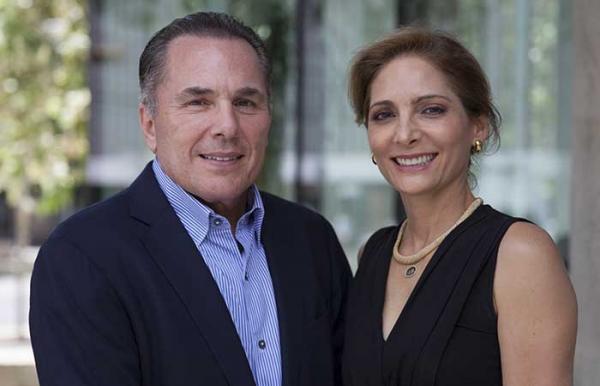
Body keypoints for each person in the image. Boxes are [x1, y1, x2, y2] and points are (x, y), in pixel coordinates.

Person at [29, 12, 351, 386]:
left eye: (246, 102)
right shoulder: (81, 257)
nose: (227, 127)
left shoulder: (311, 240)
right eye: (198, 102)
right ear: (150, 124)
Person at [342, 27, 577, 386]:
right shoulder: (373, 254)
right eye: (384, 115)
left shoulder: (520, 254)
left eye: (431, 110)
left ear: (478, 126)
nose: (404, 134)